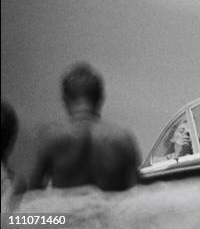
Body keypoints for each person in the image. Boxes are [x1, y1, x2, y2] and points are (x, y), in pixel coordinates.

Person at [29, 62, 141, 191]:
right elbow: (135, 195)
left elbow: (32, 194)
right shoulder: (123, 139)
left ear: (65, 99)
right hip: (107, 210)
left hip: (67, 209)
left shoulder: (51, 138)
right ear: (100, 98)